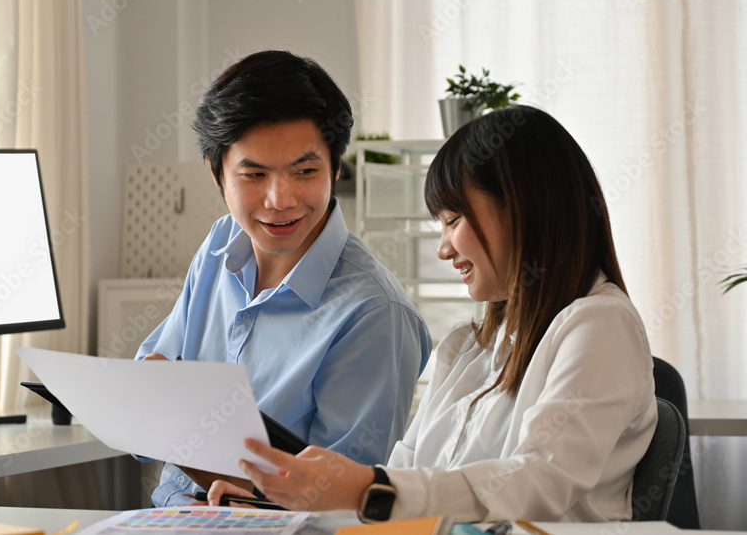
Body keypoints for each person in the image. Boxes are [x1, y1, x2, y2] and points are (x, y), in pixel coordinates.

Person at [206, 105, 658, 523]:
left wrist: (366, 486)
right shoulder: (467, 346)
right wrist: (277, 505)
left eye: (453, 220)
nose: (444, 248)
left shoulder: (599, 326)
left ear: (523, 207)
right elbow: (402, 480)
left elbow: (537, 484)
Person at [135, 50, 432, 507]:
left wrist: (196, 449)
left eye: (305, 172)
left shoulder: (375, 313)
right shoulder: (219, 245)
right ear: (217, 172)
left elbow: (344, 507)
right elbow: (146, 392)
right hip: (167, 517)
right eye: (254, 174)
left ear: (335, 167)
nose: (280, 200)